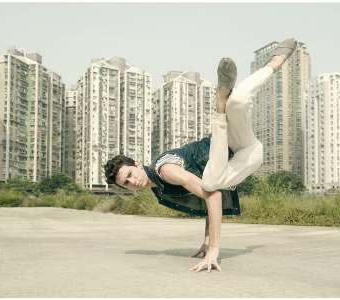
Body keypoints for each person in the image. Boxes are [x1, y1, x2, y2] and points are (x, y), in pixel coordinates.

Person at [104, 38, 297, 273]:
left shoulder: (164, 170)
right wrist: (207, 240)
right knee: (211, 180)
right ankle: (220, 106)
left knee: (236, 102)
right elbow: (205, 199)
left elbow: (213, 197)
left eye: (130, 174)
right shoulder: (158, 186)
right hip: (243, 157)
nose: (132, 181)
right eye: (126, 183)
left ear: (136, 164)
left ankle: (273, 63)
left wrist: (214, 249)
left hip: (234, 142)